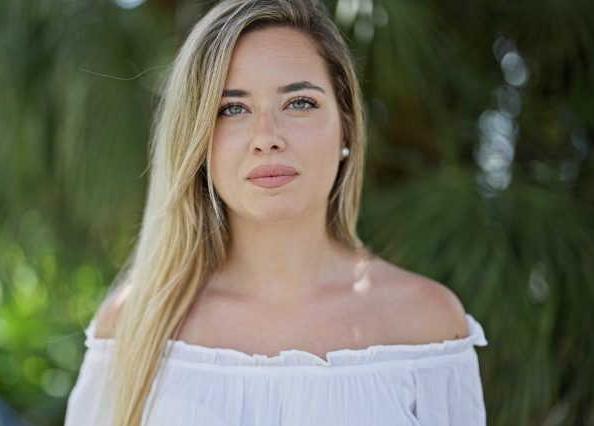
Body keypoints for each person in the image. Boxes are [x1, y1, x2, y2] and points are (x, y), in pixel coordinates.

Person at [65, 0, 488, 425]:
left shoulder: (426, 323)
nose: (266, 138)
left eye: (299, 103)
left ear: (346, 128)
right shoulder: (134, 324)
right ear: (197, 143)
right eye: (232, 108)